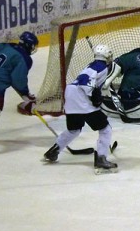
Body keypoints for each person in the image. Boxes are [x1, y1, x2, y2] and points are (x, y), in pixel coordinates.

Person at [43, 44, 118, 174]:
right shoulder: (102, 67)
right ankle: (101, 158)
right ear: (107, 56)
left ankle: (53, 151)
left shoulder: (91, 65)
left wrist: (95, 94)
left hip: (71, 94)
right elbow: (85, 82)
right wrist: (93, 96)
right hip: (81, 96)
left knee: (74, 129)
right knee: (105, 129)